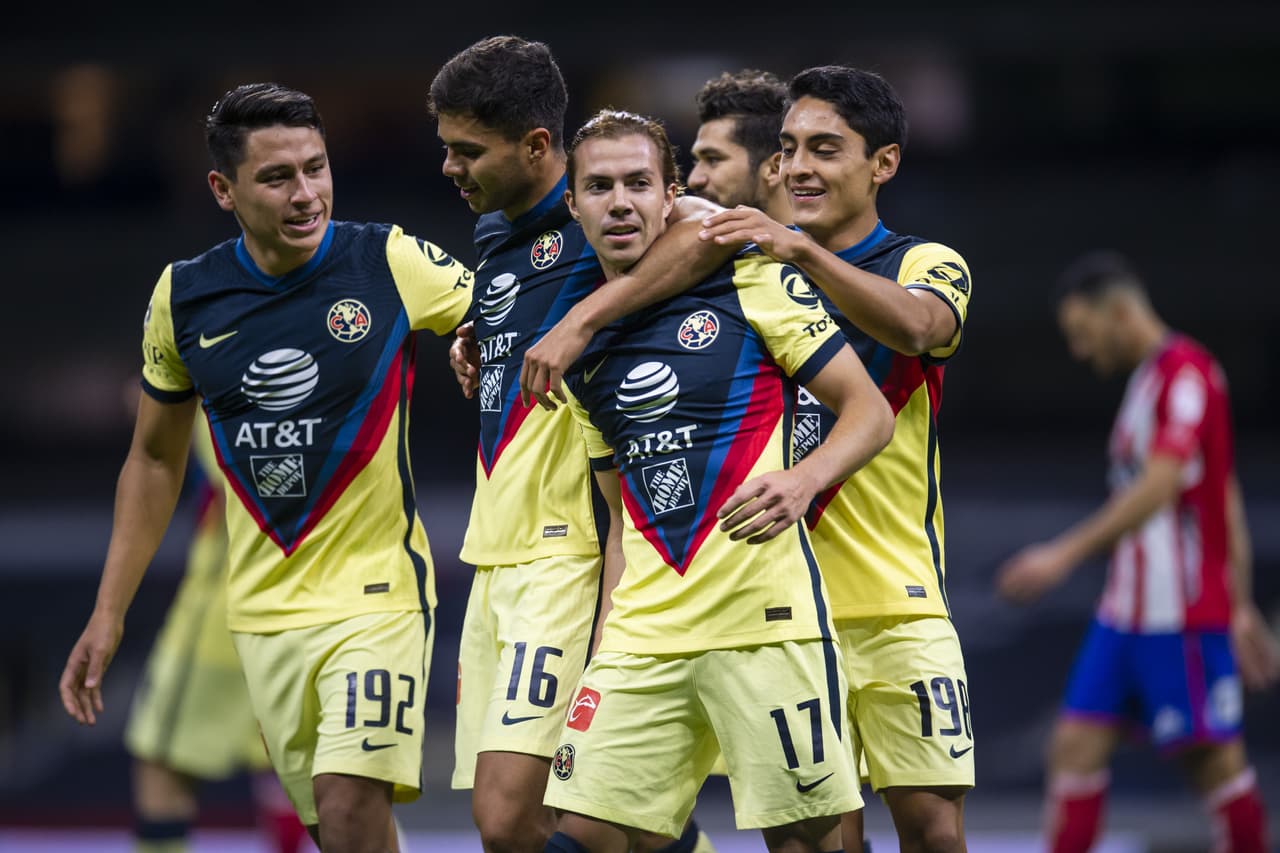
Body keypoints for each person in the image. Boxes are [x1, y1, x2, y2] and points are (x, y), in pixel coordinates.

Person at [526, 66, 976, 853]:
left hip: (886, 594)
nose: (796, 166)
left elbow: (916, 329)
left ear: (883, 163)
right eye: (788, 150)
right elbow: (659, 238)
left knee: (929, 828)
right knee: (814, 829)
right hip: (767, 592)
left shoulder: (912, 260)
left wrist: (797, 250)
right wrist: (564, 324)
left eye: (821, 149)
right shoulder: (734, 261)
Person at [58, 82, 475, 853]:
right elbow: (153, 459)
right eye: (278, 177)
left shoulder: (385, 257)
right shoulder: (183, 297)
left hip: (377, 594)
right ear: (224, 189)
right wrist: (108, 611)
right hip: (262, 608)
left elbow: (502, 319)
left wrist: (471, 338)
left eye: (316, 168)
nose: (307, 193)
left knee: (348, 803)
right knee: (336, 827)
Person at [430, 35, 727, 853]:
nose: (451, 169)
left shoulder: (613, 208)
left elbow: (706, 228)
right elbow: (524, 306)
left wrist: (579, 320)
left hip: (573, 550)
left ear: (535, 146)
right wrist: (481, 331)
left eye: (467, 151)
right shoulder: (498, 233)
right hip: (498, 549)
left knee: (510, 816)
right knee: (566, 817)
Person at [996, 250, 1277, 853]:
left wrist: (1062, 555)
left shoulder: (1188, 373)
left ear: (1120, 312)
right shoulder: (1148, 381)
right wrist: (1245, 598)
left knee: (1213, 765)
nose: (1079, 350)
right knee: (1073, 747)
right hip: (1124, 612)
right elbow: (1219, 496)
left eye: (1083, 333)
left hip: (1179, 612)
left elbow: (1162, 485)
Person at [124, 419, 307, 853]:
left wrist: (165, 409)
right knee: (294, 769)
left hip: (224, 613)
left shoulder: (219, 371)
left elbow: (247, 474)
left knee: (161, 764)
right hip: (311, 603)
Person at [687, 69, 791, 223]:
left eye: (713, 159)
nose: (693, 180)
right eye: (697, 161)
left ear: (775, 169)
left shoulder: (828, 245)